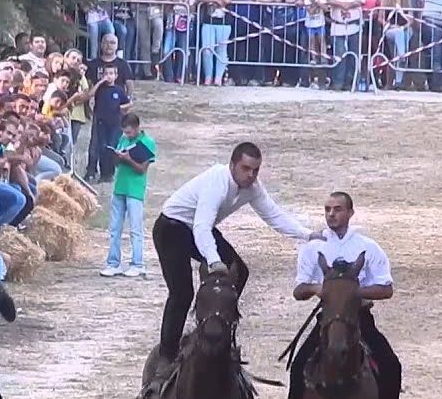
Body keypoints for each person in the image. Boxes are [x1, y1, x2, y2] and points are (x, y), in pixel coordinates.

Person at [154, 142, 320, 360]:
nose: (251, 175)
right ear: (232, 165)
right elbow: (202, 227)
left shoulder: (253, 188)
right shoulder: (217, 181)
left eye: (255, 170)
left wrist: (307, 234)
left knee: (239, 271)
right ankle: (166, 354)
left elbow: (274, 215)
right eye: (245, 168)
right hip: (171, 228)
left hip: (195, 228)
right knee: (182, 292)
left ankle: (219, 332)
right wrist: (214, 261)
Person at [283, 192, 408, 399]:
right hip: (326, 320)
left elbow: (386, 288)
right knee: (298, 367)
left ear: (350, 213)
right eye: (327, 209)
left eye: (337, 209)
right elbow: (299, 289)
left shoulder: (368, 246)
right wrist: (322, 289)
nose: (331, 214)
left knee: (390, 365)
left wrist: (351, 293)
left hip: (358, 320)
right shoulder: (312, 247)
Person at [102, 113, 155, 278]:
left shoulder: (147, 143)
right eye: (125, 132)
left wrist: (129, 159)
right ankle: (113, 263)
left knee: (135, 229)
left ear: (137, 128)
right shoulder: (123, 139)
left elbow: (141, 169)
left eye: (130, 132)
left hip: (135, 190)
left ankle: (138, 263)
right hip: (120, 187)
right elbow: (117, 164)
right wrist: (117, 156)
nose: (127, 135)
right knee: (115, 228)